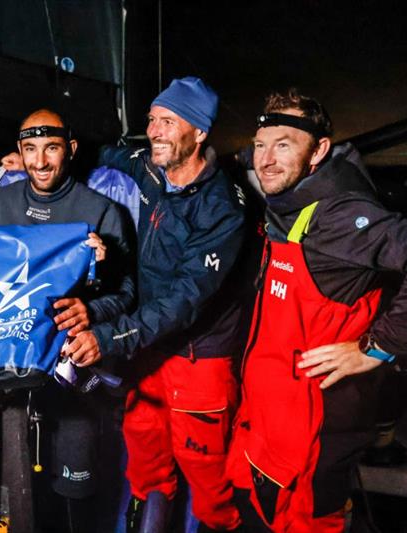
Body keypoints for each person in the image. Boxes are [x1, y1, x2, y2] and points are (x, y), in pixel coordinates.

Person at [226, 89, 407, 532]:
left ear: (319, 150)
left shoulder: (340, 214)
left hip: (315, 427)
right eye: (262, 145)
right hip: (269, 416)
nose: (266, 159)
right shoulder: (288, 196)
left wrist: (378, 348)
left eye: (284, 144)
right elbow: (248, 158)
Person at [66, 77, 246, 532]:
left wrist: (107, 337)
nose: (154, 130)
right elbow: (103, 153)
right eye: (151, 119)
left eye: (168, 121)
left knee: (208, 480)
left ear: (200, 132)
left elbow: (183, 301)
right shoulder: (149, 166)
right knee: (144, 458)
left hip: (196, 356)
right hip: (147, 350)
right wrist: (42, 158)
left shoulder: (221, 208)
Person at [0, 109, 136, 532]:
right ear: (20, 152)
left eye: (51, 148)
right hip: (10, 375)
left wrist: (93, 304)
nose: (41, 161)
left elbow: (128, 294)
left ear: (71, 150)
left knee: (76, 493)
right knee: (17, 495)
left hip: (75, 380)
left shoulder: (102, 210)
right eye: (30, 149)